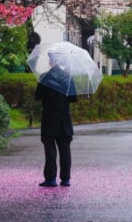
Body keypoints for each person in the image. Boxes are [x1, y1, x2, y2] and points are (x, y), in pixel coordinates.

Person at [35, 51, 77, 187]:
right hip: (64, 119)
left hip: (49, 118)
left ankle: (50, 179)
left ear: (52, 62)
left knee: (50, 149)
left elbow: (38, 96)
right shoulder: (68, 77)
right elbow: (73, 98)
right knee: (65, 149)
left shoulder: (44, 77)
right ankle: (65, 179)